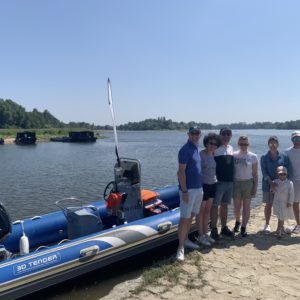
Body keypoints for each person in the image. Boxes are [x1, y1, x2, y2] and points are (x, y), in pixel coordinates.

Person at [176, 126, 203, 261]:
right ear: (188, 134)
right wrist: (184, 191)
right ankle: (180, 247)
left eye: (197, 133)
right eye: (193, 133)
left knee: (191, 216)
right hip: (189, 190)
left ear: (200, 135)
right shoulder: (185, 150)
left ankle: (186, 240)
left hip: (198, 189)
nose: (195, 135)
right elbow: (181, 172)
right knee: (184, 218)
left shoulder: (196, 148)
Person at [261, 136, 289, 232]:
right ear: (268, 144)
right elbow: (264, 172)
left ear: (278, 144)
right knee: (268, 204)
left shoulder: (284, 156)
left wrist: (284, 183)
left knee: (281, 205)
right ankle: (267, 224)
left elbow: (287, 170)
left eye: (275, 143)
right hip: (268, 185)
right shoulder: (264, 157)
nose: (273, 145)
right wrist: (271, 183)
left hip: (281, 185)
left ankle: (281, 225)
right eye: (271, 143)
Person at [210, 127, 235, 240]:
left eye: (228, 134)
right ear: (220, 135)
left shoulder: (231, 148)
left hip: (230, 182)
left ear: (231, 136)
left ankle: (224, 228)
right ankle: (214, 229)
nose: (226, 137)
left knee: (225, 205)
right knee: (215, 206)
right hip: (219, 182)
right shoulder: (215, 148)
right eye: (223, 134)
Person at [197, 133, 220, 246]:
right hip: (204, 185)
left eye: (215, 144)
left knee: (207, 211)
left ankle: (206, 233)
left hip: (213, 184)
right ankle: (200, 235)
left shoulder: (213, 154)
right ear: (206, 143)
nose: (213, 145)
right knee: (201, 212)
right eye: (211, 143)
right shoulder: (201, 154)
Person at [233, 135, 258, 237]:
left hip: (248, 183)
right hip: (236, 183)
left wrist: (255, 187)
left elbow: (255, 174)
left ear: (249, 144)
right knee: (237, 207)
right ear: (238, 144)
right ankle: (238, 222)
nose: (244, 146)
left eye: (246, 144)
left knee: (246, 207)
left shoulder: (253, 156)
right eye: (242, 144)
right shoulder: (234, 155)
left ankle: (243, 227)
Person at [271, 166, 294, 237]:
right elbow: (272, 191)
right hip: (277, 202)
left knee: (282, 217)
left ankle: (279, 230)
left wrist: (290, 202)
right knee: (280, 216)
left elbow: (291, 193)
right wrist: (273, 187)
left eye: (284, 174)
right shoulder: (275, 181)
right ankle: (281, 229)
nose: (282, 175)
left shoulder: (290, 183)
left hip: (285, 203)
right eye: (280, 174)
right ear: (278, 175)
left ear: (286, 174)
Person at [285, 131, 300, 233]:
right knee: (295, 203)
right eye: (294, 138)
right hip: (292, 181)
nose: (297, 140)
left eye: (298, 138)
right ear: (291, 140)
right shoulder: (287, 152)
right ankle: (298, 224)